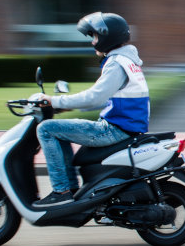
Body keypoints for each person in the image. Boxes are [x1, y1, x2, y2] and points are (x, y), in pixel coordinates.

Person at [32, 11, 150, 208]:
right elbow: (106, 99)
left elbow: (95, 96)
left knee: (45, 129)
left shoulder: (116, 63)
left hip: (114, 130)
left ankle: (62, 191)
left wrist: (54, 101)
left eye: (95, 36)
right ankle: (70, 189)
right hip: (125, 127)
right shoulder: (127, 61)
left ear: (106, 37)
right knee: (58, 129)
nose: (93, 41)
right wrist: (65, 107)